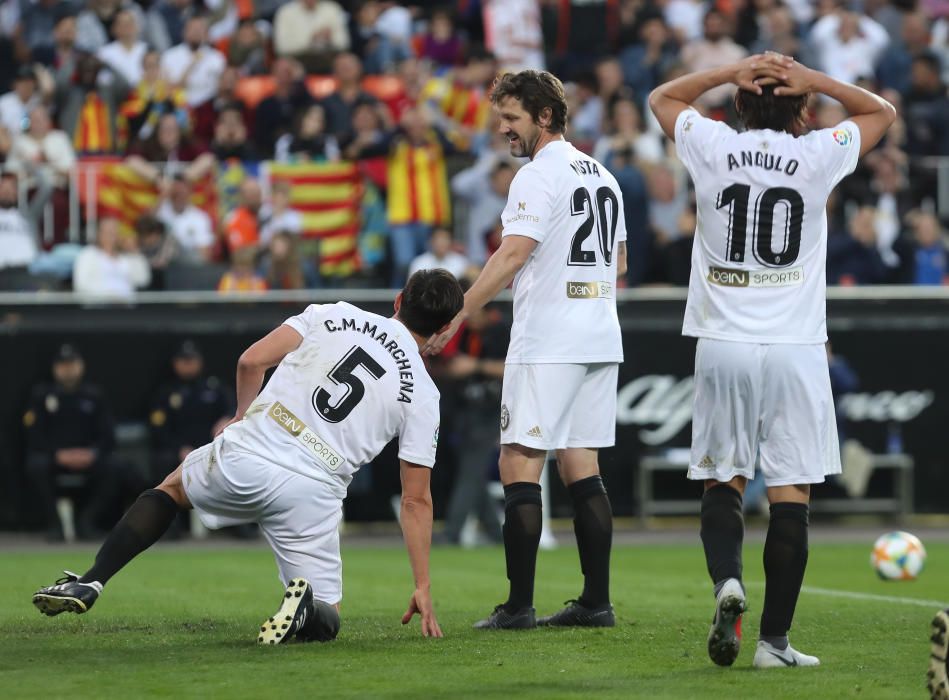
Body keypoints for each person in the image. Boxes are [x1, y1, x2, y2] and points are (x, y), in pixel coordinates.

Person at [32, 270, 464, 645]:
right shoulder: (425, 395)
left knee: (173, 489)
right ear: (445, 329)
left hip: (257, 447)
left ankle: (92, 579)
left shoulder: (333, 313)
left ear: (398, 300)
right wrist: (422, 584)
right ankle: (306, 610)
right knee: (329, 613)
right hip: (316, 489)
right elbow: (415, 500)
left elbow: (250, 361)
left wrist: (242, 418)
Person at [648, 52, 895, 668]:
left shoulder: (711, 145)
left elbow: (662, 100)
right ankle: (773, 644)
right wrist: (816, 79)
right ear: (804, 109)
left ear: (738, 102)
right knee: (791, 493)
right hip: (794, 346)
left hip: (722, 342)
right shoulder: (816, 154)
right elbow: (881, 112)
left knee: (722, 478)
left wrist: (727, 69)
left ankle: (727, 581)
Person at [424, 70, 628, 630]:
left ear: (544, 117)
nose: (503, 131)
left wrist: (457, 312)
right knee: (581, 464)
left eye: (511, 119)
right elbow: (621, 265)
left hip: (550, 337)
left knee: (518, 459)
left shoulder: (539, 175)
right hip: (599, 334)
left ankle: (518, 607)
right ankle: (596, 602)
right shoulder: (604, 175)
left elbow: (511, 255)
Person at [23, 343, 118, 541]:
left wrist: (91, 453)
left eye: (71, 364)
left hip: (89, 458)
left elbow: (107, 434)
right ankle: (55, 524)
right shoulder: (42, 395)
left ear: (81, 366)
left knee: (116, 467)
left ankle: (87, 521)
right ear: (55, 368)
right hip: (55, 458)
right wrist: (57, 454)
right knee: (36, 465)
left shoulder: (94, 395)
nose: (67, 369)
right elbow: (35, 434)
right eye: (63, 365)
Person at [149, 340, 233, 484]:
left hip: (212, 448)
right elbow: (159, 428)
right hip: (179, 452)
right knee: (163, 460)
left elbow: (234, 408)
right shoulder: (165, 393)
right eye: (183, 360)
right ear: (175, 363)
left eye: (191, 359)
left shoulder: (214, 387)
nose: (188, 364)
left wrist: (227, 418)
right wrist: (179, 449)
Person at [73, 217, 151, 298]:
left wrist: (134, 253)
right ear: (99, 233)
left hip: (127, 307)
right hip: (98, 307)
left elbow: (143, 280)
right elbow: (81, 285)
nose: (112, 236)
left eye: (115, 232)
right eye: (108, 232)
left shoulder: (126, 258)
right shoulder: (88, 254)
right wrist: (110, 295)